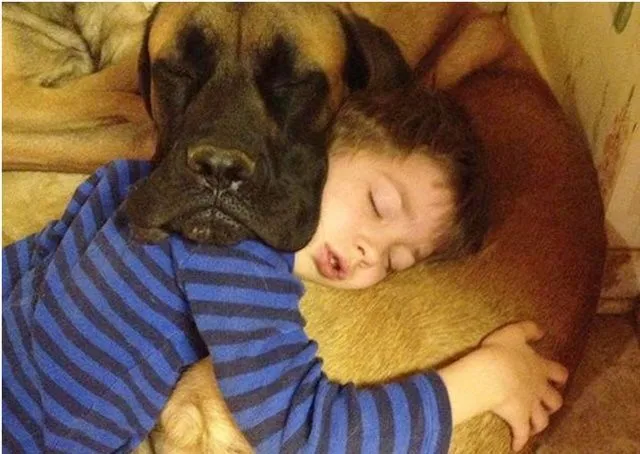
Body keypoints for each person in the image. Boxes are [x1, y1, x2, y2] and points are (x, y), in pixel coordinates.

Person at [2, 85, 567, 453]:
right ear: (315, 151)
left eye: (396, 260)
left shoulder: (150, 177)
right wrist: (484, 381)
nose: (370, 252)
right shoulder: (240, 252)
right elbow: (305, 427)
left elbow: (40, 252)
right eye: (378, 206)